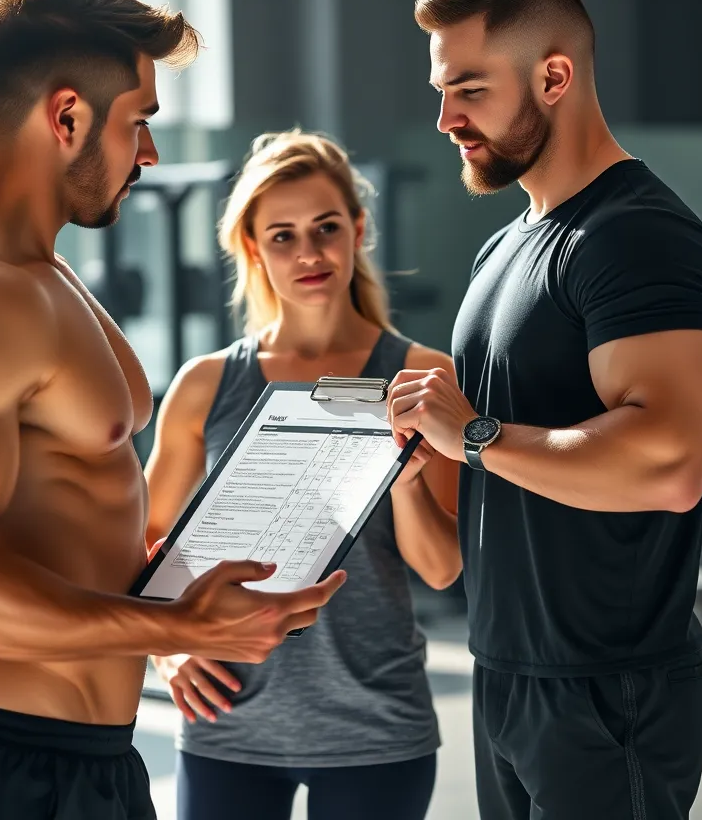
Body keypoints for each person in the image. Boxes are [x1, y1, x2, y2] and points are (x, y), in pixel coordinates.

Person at [0, 0, 345, 820]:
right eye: (140, 123)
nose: (148, 155)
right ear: (68, 115)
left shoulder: (44, 271)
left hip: (92, 759)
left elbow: (59, 520)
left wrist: (195, 588)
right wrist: (180, 631)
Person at [385, 0, 702, 820]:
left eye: (468, 89)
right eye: (440, 90)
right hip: (507, 673)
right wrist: (422, 439)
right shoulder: (505, 247)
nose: (445, 118)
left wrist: (469, 432)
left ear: (553, 76)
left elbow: (668, 463)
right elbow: (500, 452)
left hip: (608, 687)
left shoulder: (637, 238)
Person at [144, 130, 463, 820]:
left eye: (325, 228)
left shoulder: (422, 375)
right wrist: (166, 651)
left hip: (375, 720)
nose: (310, 253)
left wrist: (404, 480)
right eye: (283, 236)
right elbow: (139, 543)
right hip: (227, 713)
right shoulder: (205, 385)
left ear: (358, 229)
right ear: (254, 249)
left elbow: (441, 569)